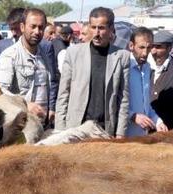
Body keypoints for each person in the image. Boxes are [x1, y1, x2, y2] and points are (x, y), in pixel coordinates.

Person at [55, 7, 132, 137]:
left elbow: (123, 98)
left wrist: (120, 133)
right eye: (93, 27)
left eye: (101, 28)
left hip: (105, 129)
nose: (96, 33)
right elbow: (63, 94)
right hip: (75, 128)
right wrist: (60, 130)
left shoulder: (122, 56)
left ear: (111, 29)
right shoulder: (73, 53)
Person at [0, 8, 57, 124]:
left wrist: (52, 109)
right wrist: (25, 105)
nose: (37, 31)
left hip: (43, 124)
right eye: (33, 26)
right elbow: (0, 91)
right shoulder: (10, 55)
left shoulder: (44, 56)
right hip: (20, 126)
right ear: (22, 27)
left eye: (40, 27)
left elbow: (52, 83)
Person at [125, 27, 164, 137]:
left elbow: (146, 105)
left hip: (142, 135)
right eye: (141, 47)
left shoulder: (147, 68)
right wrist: (133, 116)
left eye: (149, 48)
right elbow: (114, 103)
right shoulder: (123, 67)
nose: (145, 53)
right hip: (124, 134)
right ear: (131, 46)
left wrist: (158, 122)